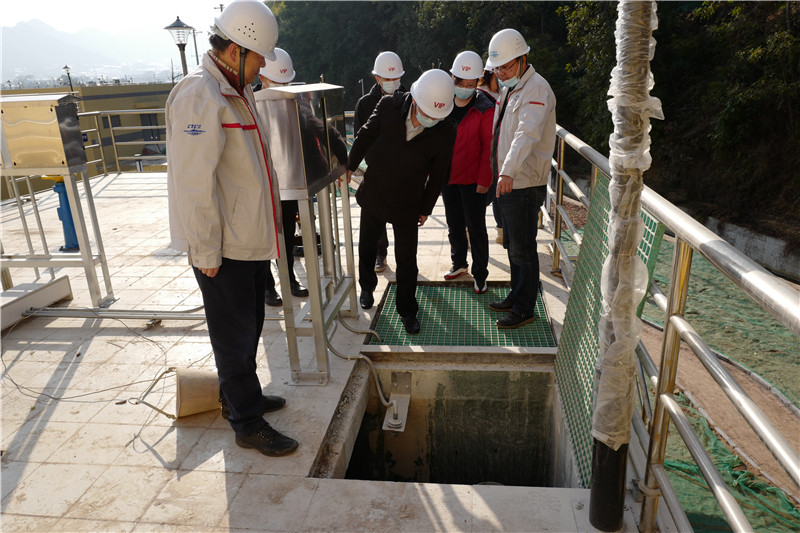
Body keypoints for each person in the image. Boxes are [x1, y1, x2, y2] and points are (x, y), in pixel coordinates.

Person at [166, 0, 298, 456]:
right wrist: (205, 250)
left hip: (248, 240)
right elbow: (193, 183)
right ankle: (246, 421)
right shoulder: (200, 95)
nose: (263, 67)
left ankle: (241, 396)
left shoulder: (234, 89)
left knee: (250, 326)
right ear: (238, 49)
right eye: (260, 57)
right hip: (223, 247)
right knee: (233, 336)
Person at [347, 69, 457, 334]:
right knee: (368, 246)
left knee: (407, 259)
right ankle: (367, 288)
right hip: (375, 190)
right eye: (428, 113)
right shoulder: (388, 106)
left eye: (437, 116)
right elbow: (365, 135)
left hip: (408, 199)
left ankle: (407, 310)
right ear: (415, 99)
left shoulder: (444, 131)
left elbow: (438, 175)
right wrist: (349, 165)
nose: (431, 119)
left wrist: (426, 208)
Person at [486, 28, 557, 329]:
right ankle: (517, 296)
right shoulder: (511, 88)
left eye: (506, 66)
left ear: (522, 58)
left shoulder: (536, 89)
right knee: (513, 246)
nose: (501, 73)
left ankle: (525, 309)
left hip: (523, 183)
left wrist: (507, 171)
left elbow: (526, 134)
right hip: (508, 181)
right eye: (497, 69)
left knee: (523, 249)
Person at [256, 47, 309, 307]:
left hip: (288, 180)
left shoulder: (294, 100)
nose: (283, 87)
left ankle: (289, 278)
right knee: (263, 235)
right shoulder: (250, 102)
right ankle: (267, 286)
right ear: (263, 78)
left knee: (286, 233)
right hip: (260, 181)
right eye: (278, 82)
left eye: (286, 82)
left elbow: (312, 127)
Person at [441, 51, 495, 294]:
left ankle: (480, 274)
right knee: (454, 224)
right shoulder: (443, 102)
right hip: (447, 176)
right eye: (460, 83)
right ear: (452, 78)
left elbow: (488, 148)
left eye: (470, 84)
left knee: (476, 228)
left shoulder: (485, 108)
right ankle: (459, 263)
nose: (464, 88)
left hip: (473, 179)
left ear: (478, 82)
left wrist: (485, 180)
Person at [353, 51, 406, 274]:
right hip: (377, 168)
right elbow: (360, 137)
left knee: (403, 217)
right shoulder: (365, 104)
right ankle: (380, 253)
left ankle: (406, 260)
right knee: (375, 214)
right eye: (387, 78)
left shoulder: (409, 99)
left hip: (403, 168)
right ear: (377, 78)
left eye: (396, 78)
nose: (393, 82)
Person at [478, 66, 503, 245]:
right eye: (499, 72)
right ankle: (469, 227)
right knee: (484, 194)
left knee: (498, 194)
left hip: (499, 151)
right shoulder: (480, 95)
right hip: (485, 152)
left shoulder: (504, 93)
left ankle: (501, 231)